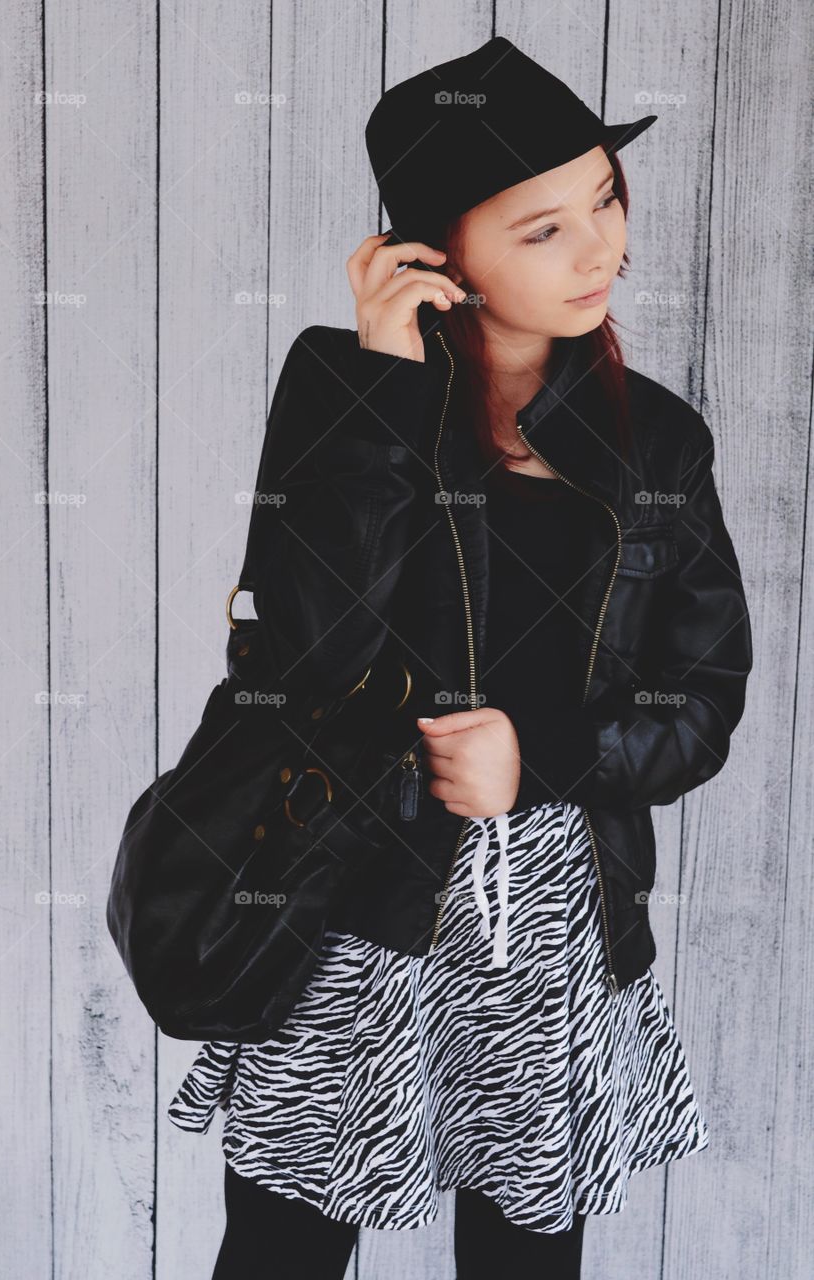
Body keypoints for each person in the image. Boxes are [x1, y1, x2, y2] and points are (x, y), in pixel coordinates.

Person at [167, 37, 752, 1279]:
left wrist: (537, 757)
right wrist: (386, 384)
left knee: (525, 1253)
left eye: (603, 199)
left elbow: (699, 695)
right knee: (279, 1242)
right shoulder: (342, 393)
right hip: (345, 884)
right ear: (438, 252)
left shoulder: (658, 442)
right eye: (542, 228)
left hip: (549, 898)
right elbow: (308, 647)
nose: (602, 248)